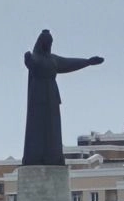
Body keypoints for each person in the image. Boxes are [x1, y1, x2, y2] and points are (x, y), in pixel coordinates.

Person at [22, 29, 103, 166]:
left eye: (50, 43)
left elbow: (68, 63)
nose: (48, 45)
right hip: (38, 99)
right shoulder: (35, 58)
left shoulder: (53, 59)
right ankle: (35, 157)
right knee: (37, 128)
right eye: (46, 43)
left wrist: (88, 62)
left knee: (52, 128)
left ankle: (53, 157)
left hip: (52, 98)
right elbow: (32, 66)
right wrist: (28, 60)